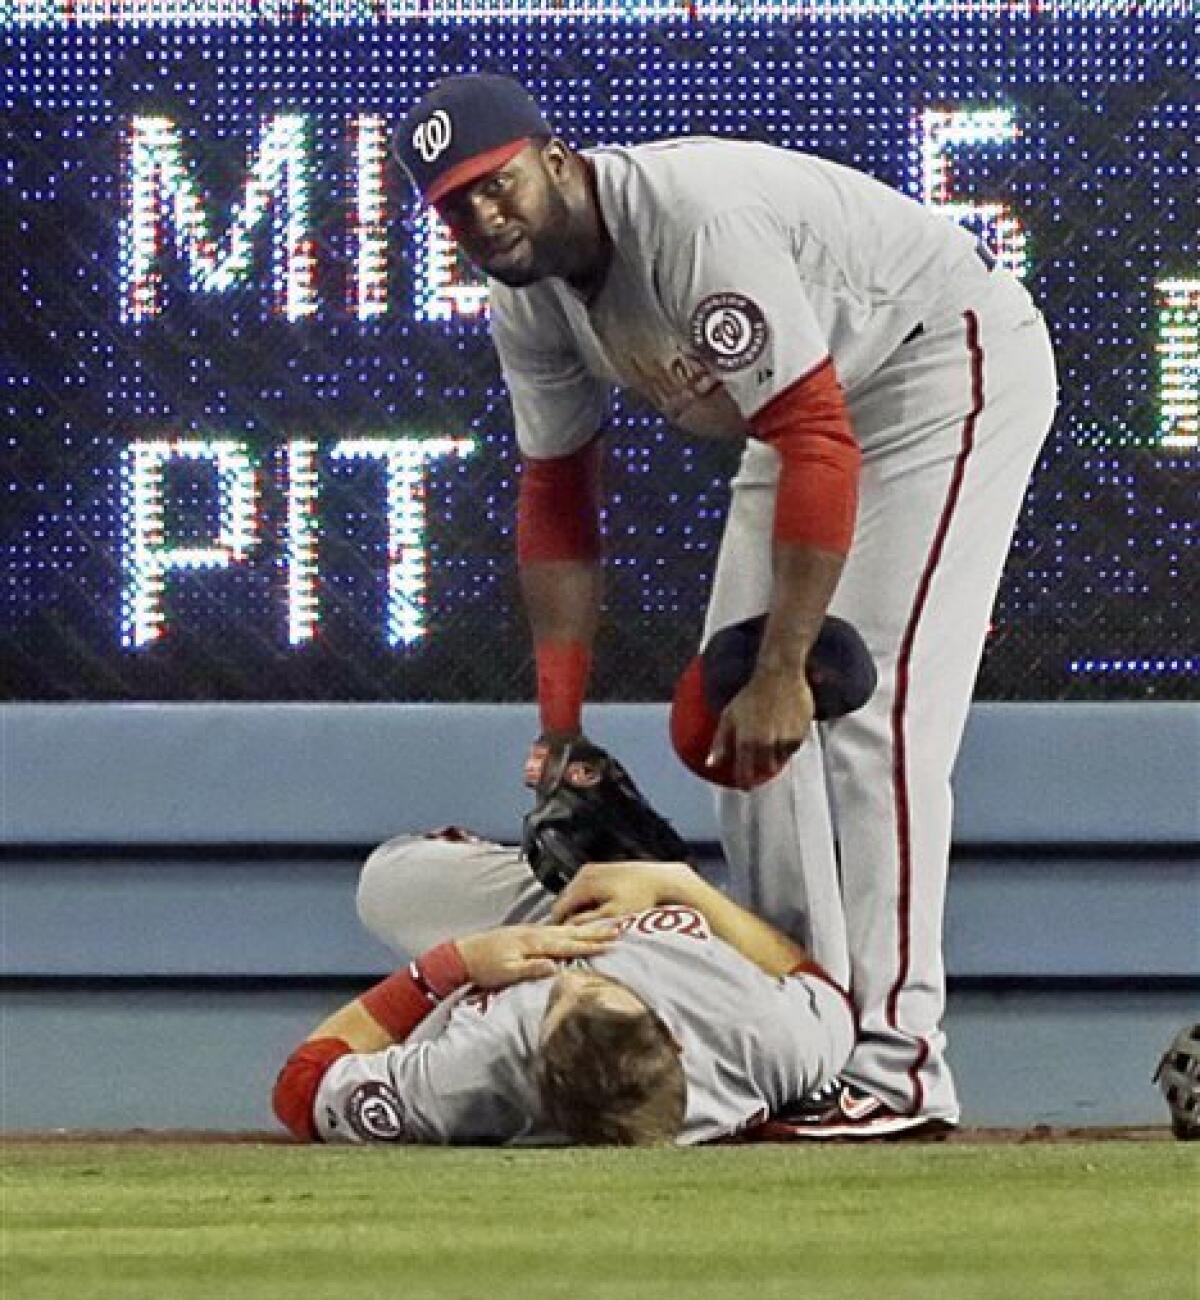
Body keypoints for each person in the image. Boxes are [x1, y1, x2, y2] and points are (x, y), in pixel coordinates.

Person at [393, 75, 1058, 1138]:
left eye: (497, 182)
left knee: (864, 721)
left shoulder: (692, 221)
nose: (484, 215)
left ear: (555, 156)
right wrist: (559, 728)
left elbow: (820, 439)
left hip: (942, 362)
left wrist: (791, 661)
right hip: (804, 418)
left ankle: (898, 1067)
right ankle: (808, 1030)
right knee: (736, 734)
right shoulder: (528, 299)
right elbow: (556, 501)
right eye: (456, 205)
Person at [272, 833, 856, 1146]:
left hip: (521, 934)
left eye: (561, 1000)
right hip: (661, 902)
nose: (576, 976)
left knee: (385, 882)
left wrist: (451, 965)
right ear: (675, 1041)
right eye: (603, 988)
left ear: (536, 1070)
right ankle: (632, 849)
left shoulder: (477, 1070)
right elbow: (817, 986)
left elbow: (302, 1086)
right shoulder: (761, 1039)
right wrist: (677, 884)